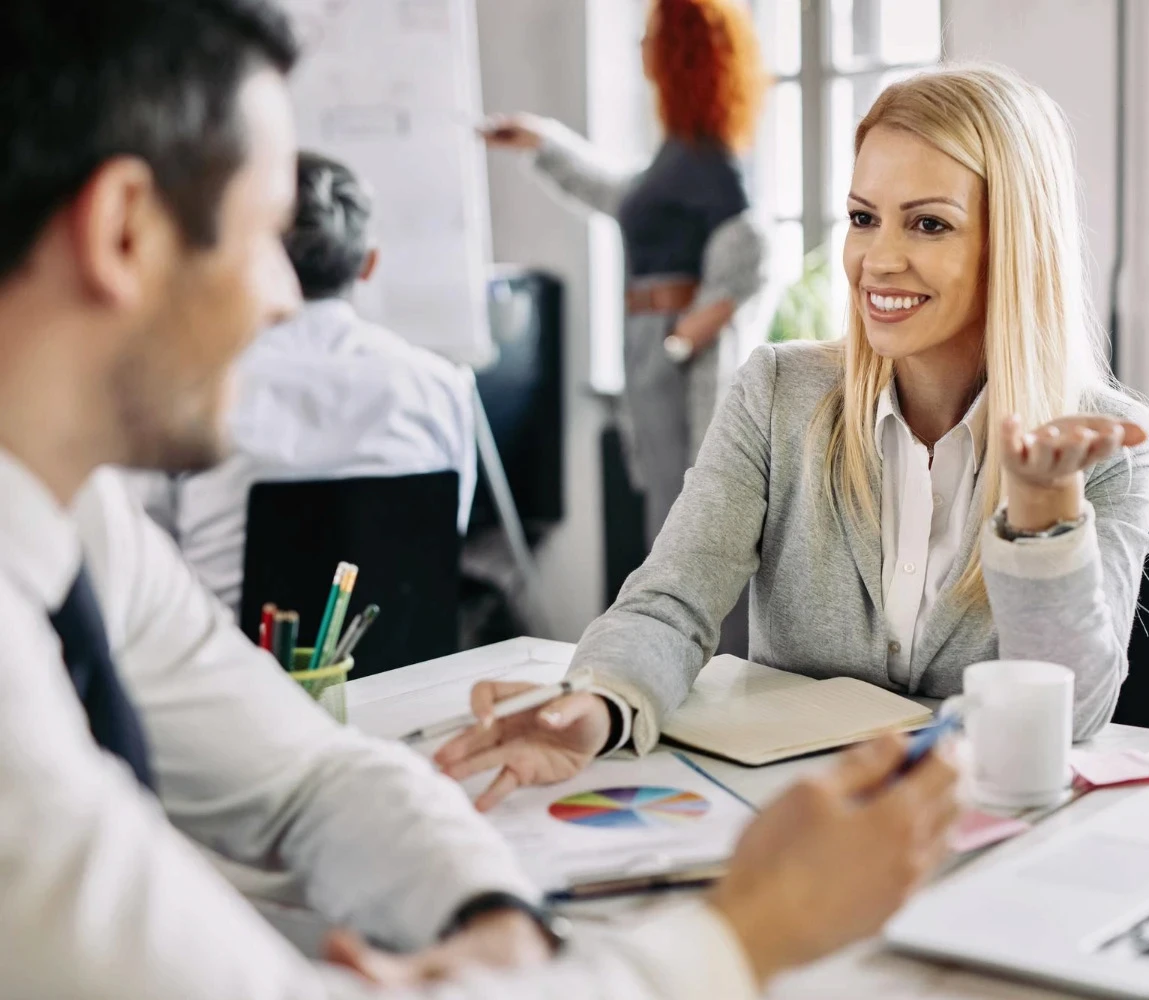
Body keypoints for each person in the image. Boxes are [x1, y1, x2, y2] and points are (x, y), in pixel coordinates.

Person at [0, 3, 959, 998]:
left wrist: (489, 922)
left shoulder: (80, 522)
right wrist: (743, 935)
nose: (290, 293)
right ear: (122, 232)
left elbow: (310, 773)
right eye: (262, 230)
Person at [437, 65, 1149, 810]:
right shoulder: (778, 393)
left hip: (985, 841)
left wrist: (1044, 516)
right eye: (863, 217)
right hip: (794, 831)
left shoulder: (1105, 448)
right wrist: (598, 705)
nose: (878, 260)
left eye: (928, 223)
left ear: (1012, 244)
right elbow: (671, 604)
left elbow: (1078, 719)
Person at [133, 150, 477, 615]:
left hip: (228, 669)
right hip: (404, 673)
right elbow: (442, 538)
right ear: (368, 264)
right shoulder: (442, 387)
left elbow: (143, 564)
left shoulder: (186, 387)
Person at [481, 0, 769, 545]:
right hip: (653, 343)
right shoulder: (677, 153)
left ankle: (698, 634)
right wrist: (541, 141)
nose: (641, 46)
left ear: (680, 52)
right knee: (667, 512)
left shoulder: (708, 160)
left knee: (692, 518)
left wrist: (686, 338)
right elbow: (622, 195)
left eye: (651, 35)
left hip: (671, 349)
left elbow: (753, 245)